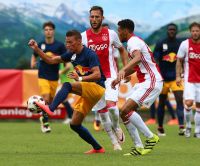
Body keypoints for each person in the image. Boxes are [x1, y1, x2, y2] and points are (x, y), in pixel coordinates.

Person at [29, 29, 106, 154]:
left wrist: (79, 78)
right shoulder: (71, 54)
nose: (67, 45)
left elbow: (97, 75)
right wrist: (37, 49)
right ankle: (98, 148)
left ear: (79, 41)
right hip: (88, 91)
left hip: (98, 89)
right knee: (74, 124)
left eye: (70, 42)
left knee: (67, 85)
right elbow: (51, 60)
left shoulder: (90, 54)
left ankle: (50, 109)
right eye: (66, 42)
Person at [111, 19, 163, 156]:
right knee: (124, 113)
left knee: (126, 109)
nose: (118, 33)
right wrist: (119, 78)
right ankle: (138, 147)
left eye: (119, 30)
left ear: (126, 30)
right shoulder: (133, 42)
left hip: (151, 81)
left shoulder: (133, 42)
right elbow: (136, 65)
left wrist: (123, 69)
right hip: (145, 81)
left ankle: (151, 137)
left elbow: (138, 58)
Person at [81, 6, 128, 151]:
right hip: (94, 79)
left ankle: (117, 127)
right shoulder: (84, 36)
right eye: (92, 17)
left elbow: (121, 49)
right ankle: (114, 143)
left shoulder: (111, 34)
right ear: (89, 18)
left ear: (102, 18)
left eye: (97, 17)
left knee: (112, 108)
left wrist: (125, 69)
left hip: (110, 76)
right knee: (102, 112)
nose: (94, 19)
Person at [30, 21, 73, 133]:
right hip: (42, 76)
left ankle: (43, 118)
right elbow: (34, 55)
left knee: (49, 102)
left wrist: (61, 71)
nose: (48, 31)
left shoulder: (59, 46)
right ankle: (45, 123)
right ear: (44, 31)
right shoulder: (40, 45)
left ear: (53, 31)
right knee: (46, 98)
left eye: (50, 29)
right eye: (46, 29)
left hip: (54, 78)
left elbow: (68, 64)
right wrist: (33, 63)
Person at [153, 23, 184, 136]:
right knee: (161, 103)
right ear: (167, 31)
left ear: (176, 31)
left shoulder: (180, 44)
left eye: (173, 29)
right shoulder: (161, 43)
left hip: (176, 78)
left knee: (179, 100)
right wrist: (157, 74)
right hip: (163, 79)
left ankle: (181, 126)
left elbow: (183, 59)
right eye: (170, 29)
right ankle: (160, 127)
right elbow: (155, 59)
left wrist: (182, 73)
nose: (171, 31)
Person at [92, 22, 120, 131]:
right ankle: (97, 119)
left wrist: (118, 75)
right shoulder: (94, 45)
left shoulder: (114, 48)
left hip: (110, 75)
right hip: (97, 75)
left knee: (110, 100)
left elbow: (116, 62)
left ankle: (112, 124)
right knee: (99, 98)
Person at [176, 22, 200, 138]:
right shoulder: (185, 44)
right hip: (189, 79)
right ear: (191, 32)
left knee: (199, 106)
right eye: (193, 31)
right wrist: (177, 76)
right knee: (189, 103)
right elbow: (179, 61)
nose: (195, 33)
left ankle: (198, 131)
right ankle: (189, 126)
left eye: (197, 31)